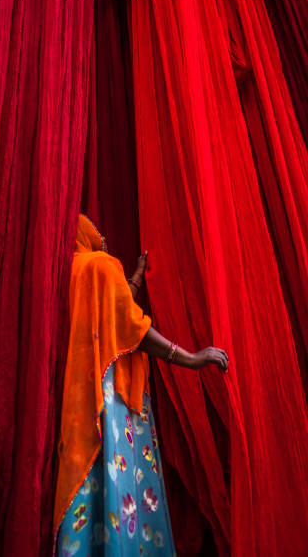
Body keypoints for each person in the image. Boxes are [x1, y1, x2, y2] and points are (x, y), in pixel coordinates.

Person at [53, 214, 228, 556]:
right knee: (120, 482)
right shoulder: (100, 267)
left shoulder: (66, 274)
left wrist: (134, 275)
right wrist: (191, 357)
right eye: (96, 233)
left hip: (75, 401)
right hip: (110, 398)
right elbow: (131, 324)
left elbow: (115, 307)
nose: (102, 239)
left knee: (84, 484)